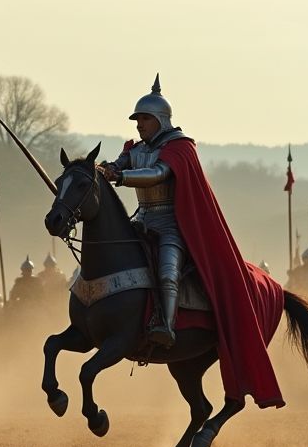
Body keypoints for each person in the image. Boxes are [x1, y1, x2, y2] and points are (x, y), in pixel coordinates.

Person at [100, 76, 284, 407]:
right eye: (137, 120)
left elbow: (158, 174)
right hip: (142, 220)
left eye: (144, 119)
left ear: (160, 120)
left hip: (172, 225)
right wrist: (101, 170)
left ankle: (166, 327)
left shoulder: (179, 148)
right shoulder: (136, 149)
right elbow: (118, 163)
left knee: (168, 270)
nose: (139, 125)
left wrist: (121, 178)